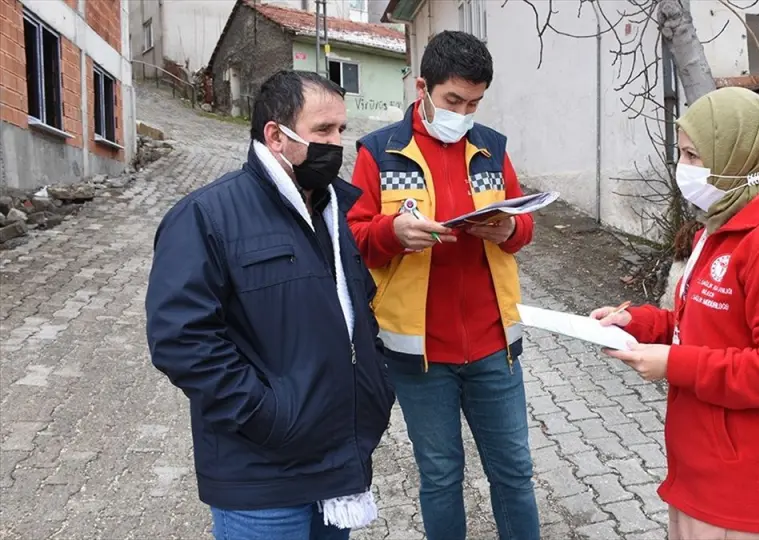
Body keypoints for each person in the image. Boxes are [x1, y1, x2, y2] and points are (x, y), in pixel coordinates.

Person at [591, 86, 759, 540]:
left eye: (694, 156)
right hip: (700, 464)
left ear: (738, 156)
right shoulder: (720, 225)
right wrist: (637, 323)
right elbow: (699, 326)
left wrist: (672, 364)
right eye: (682, 153)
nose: (683, 167)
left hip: (743, 484)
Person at [144, 70, 395, 540]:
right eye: (323, 130)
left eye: (341, 130)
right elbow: (182, 341)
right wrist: (269, 416)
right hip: (261, 478)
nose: (337, 144)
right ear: (276, 136)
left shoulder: (332, 211)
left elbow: (358, 307)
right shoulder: (206, 215)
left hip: (338, 467)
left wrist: (376, 382)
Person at [347, 30, 539, 540]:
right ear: (422, 88)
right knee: (440, 477)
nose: (463, 113)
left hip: (494, 346)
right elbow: (355, 238)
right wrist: (393, 233)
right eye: (453, 100)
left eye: (474, 103)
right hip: (421, 354)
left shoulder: (491, 148)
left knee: (514, 473)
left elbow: (523, 223)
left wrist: (510, 229)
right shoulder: (380, 152)